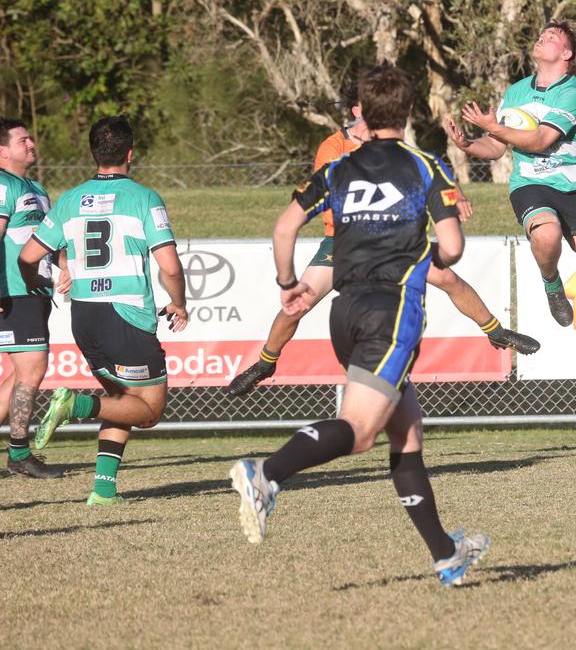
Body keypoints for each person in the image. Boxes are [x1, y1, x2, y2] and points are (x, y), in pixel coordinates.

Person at [230, 64, 489, 587]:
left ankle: (445, 554)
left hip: (344, 312)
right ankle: (266, 474)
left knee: (407, 431)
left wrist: (287, 281)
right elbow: (454, 247)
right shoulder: (426, 166)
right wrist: (421, 248)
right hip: (391, 312)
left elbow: (284, 227)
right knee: (361, 432)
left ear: (362, 114)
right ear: (410, 111)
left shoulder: (339, 169)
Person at [227, 92, 539, 398]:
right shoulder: (334, 147)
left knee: (447, 277)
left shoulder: (390, 141)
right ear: (357, 110)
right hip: (345, 242)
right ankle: (266, 363)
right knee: (297, 305)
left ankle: (496, 332)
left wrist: (456, 194)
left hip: (393, 238)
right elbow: (339, 190)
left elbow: (424, 166)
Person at [447, 20, 576, 402]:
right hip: (531, 185)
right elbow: (497, 149)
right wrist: (469, 143)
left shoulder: (573, 92)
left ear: (567, 54)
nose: (543, 37)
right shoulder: (516, 91)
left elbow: (539, 138)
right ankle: (552, 282)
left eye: (553, 36)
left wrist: (493, 130)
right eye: (542, 34)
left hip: (574, 188)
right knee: (546, 234)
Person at [20, 116, 189, 503]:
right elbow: (170, 266)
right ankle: (75, 404)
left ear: (94, 153)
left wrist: (43, 279)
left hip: (85, 317)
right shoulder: (145, 198)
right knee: (148, 412)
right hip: (125, 315)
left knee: (123, 400)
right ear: (130, 153)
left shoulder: (69, 200)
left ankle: (102, 490)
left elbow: (29, 257)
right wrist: (178, 302)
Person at [0, 118, 63, 478]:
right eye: (23, 140)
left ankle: (18, 453)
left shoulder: (36, 187)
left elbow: (47, 238)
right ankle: (19, 454)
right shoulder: (3, 184)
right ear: (3, 150)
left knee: (21, 372)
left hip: (35, 292)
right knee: (33, 368)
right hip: (13, 291)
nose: (32, 143)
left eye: (31, 138)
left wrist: (64, 265)